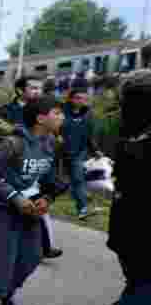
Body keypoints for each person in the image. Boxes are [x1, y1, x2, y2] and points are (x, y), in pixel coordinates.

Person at [74, 70, 151, 305]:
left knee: (138, 283)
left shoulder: (126, 132)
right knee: (146, 284)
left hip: (125, 222)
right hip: (142, 226)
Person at [0, 97, 65, 305]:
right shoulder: (12, 143)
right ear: (40, 118)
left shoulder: (50, 144)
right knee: (7, 255)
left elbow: (49, 178)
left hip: (31, 208)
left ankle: (6, 296)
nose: (61, 117)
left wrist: (47, 198)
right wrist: (14, 197)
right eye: (57, 113)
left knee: (33, 255)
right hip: (5, 207)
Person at [1, 75, 63, 260]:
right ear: (20, 90)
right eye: (33, 88)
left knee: (39, 204)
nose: (37, 91)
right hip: (14, 167)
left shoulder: (48, 113)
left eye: (39, 88)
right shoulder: (7, 111)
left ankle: (43, 245)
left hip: (35, 166)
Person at [61, 88, 100, 220]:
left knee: (78, 180)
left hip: (78, 153)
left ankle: (82, 209)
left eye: (84, 98)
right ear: (71, 99)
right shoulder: (61, 112)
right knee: (58, 181)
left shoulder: (87, 115)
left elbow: (89, 136)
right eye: (78, 98)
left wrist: (95, 150)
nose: (81, 101)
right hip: (59, 151)